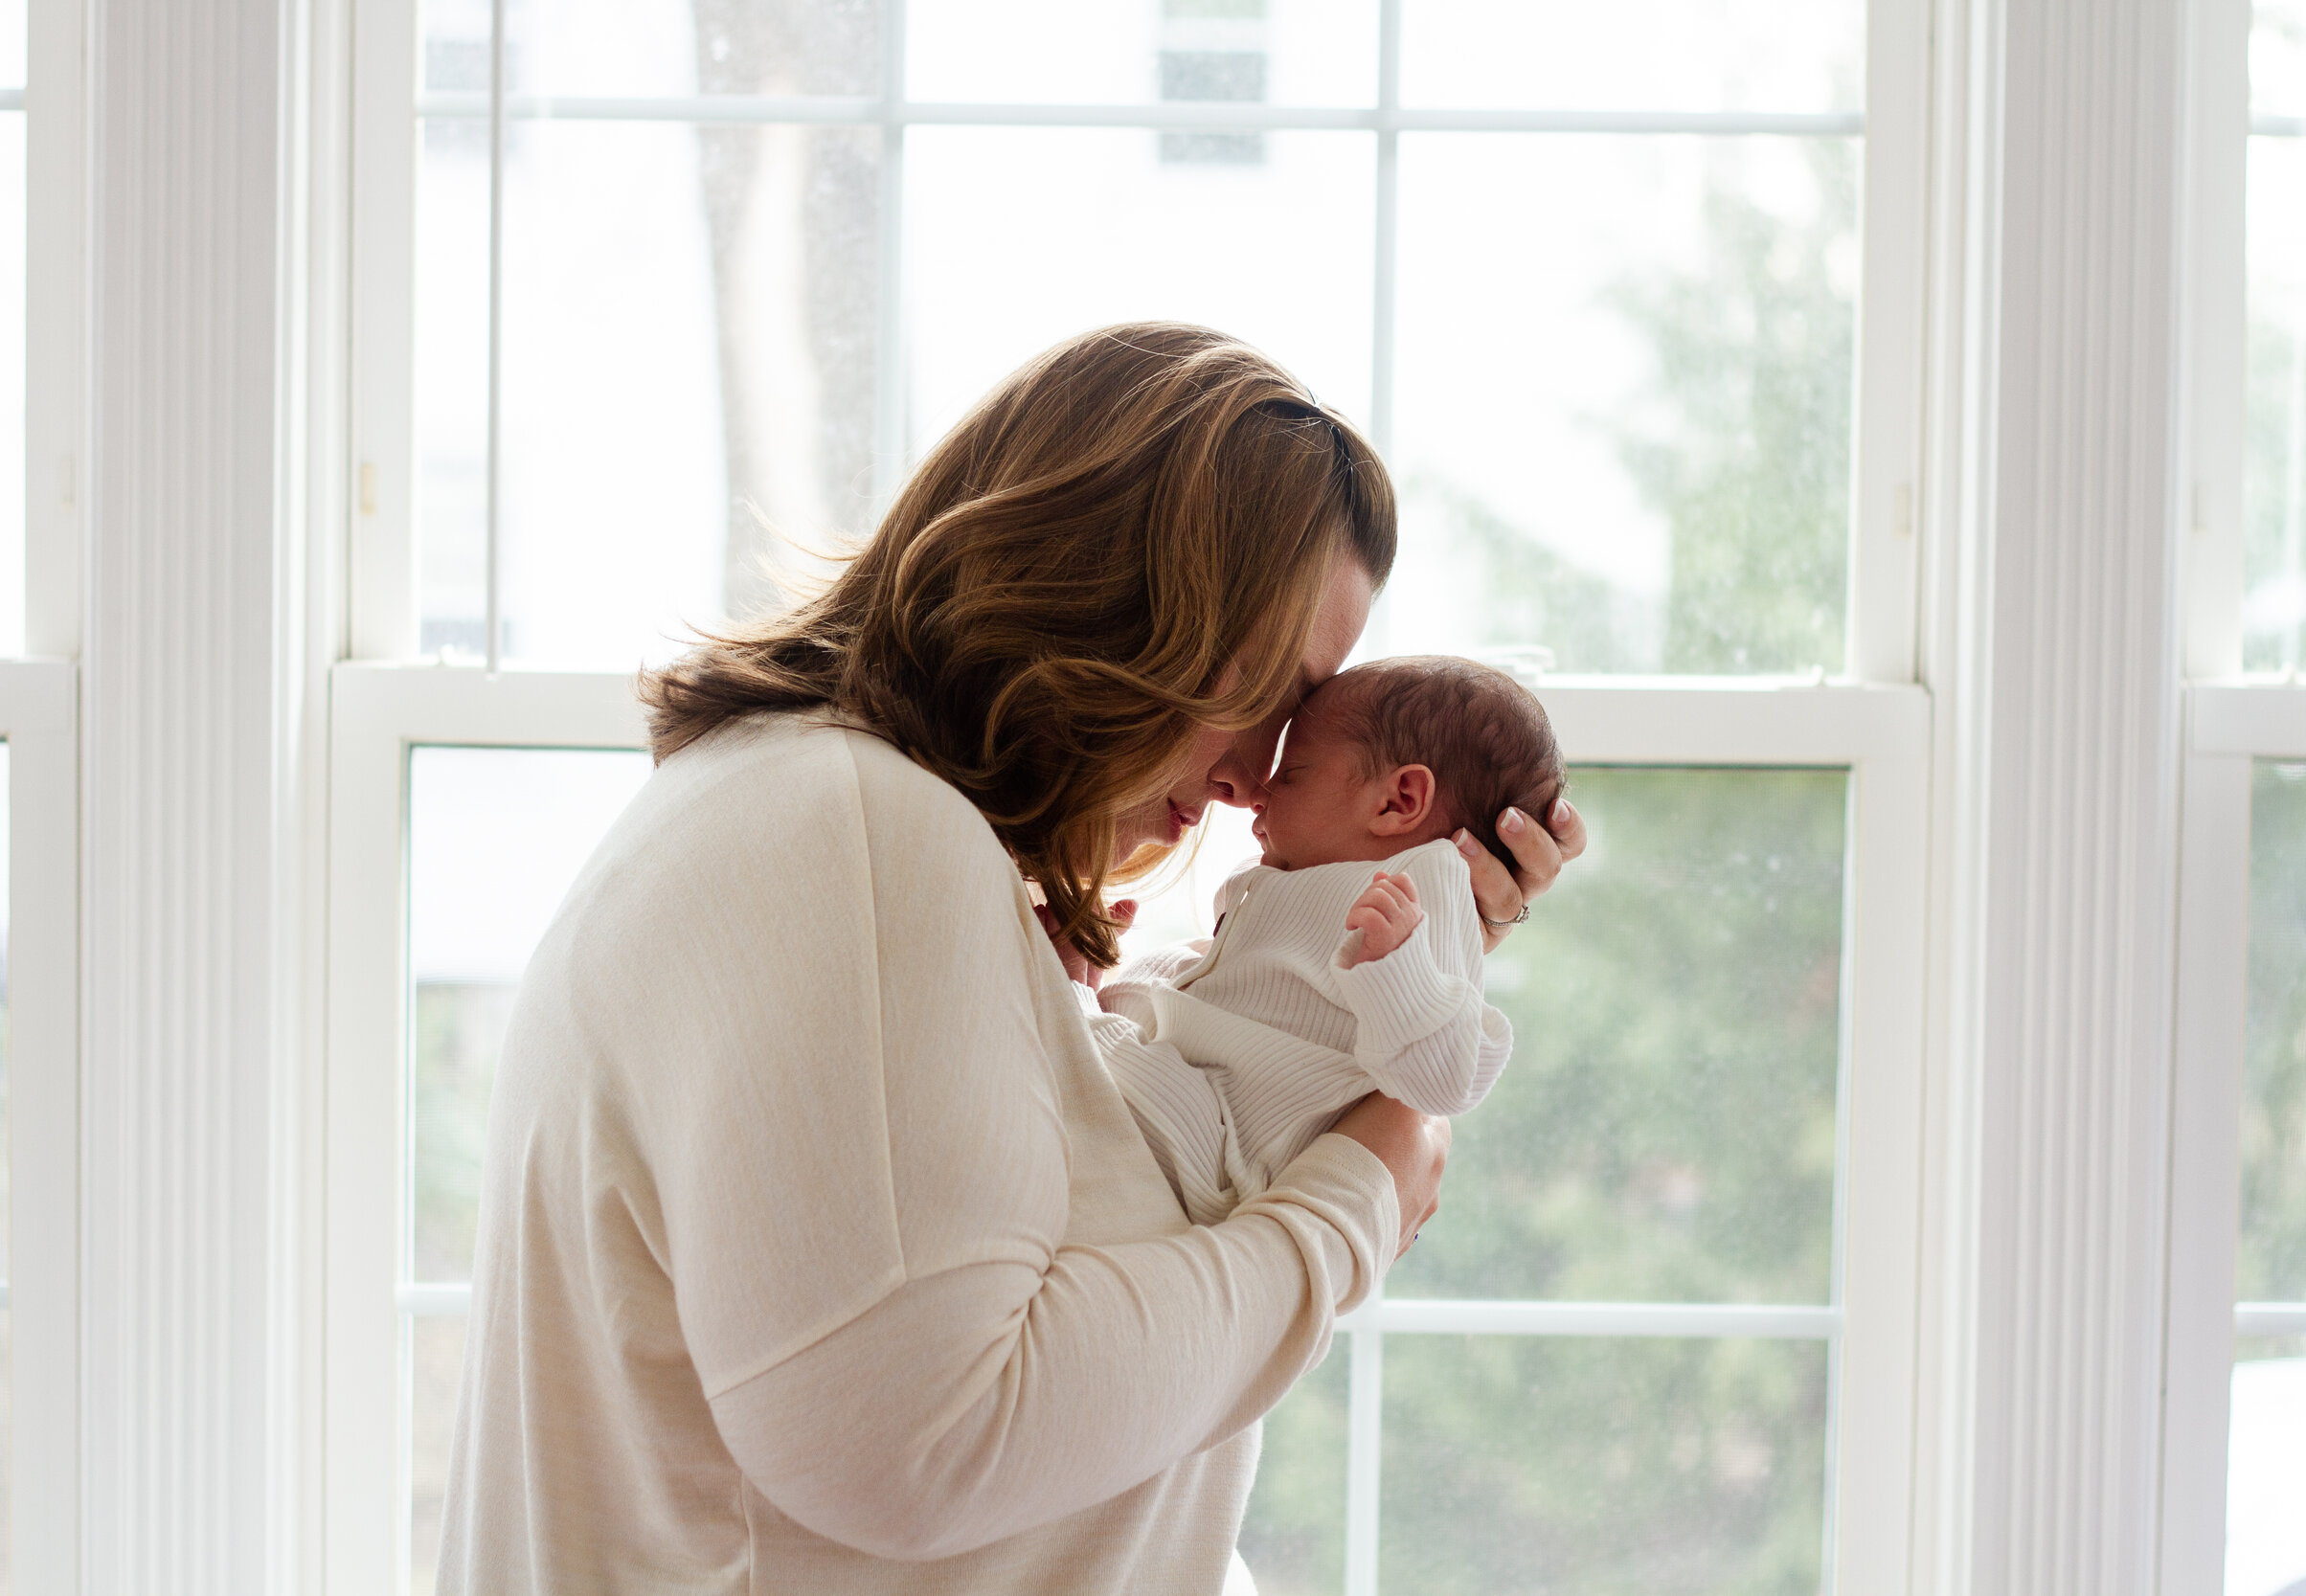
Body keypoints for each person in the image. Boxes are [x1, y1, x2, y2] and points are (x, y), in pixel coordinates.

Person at [435, 324, 1584, 1595]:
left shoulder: (830, 820)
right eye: (1270, 688)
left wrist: (1397, 957)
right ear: (1125, 601)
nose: (1257, 771)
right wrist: (1361, 1191)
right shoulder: (857, 829)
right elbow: (925, 1442)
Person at [1098, 656, 1569, 1226]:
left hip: (1216, 1149)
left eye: (1291, 773)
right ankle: (1082, 988)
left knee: (1106, 1038)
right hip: (1191, 1094)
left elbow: (1447, 1081)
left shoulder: (1424, 887)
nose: (1258, 795)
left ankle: (1075, 990)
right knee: (1139, 992)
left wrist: (1397, 970)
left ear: (1398, 802)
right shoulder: (1301, 875)